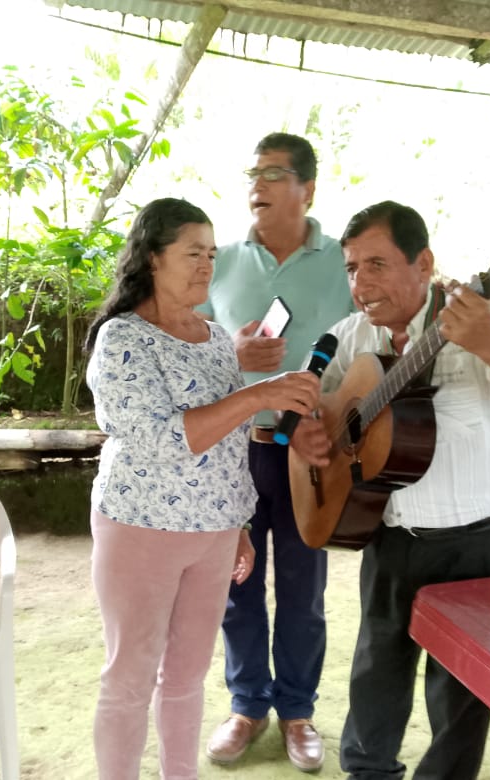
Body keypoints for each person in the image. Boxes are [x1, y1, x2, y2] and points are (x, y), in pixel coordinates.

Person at [291, 201, 490, 780]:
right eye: (352, 268)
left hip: (475, 545)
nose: (361, 283)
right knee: (376, 671)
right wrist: (308, 432)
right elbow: (313, 406)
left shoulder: (487, 319)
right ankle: (367, 772)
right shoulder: (352, 334)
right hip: (387, 534)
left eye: (377, 265)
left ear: (424, 263)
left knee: (461, 692)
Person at [83, 197, 321, 780]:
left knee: (188, 678)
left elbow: (230, 444)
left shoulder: (215, 337)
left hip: (213, 532)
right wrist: (259, 394)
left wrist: (238, 522)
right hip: (141, 527)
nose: (206, 266)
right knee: (130, 679)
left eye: (212, 254)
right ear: (152, 257)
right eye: (193, 253)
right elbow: (160, 438)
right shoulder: (122, 338)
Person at [198, 132, 354, 772]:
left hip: (309, 452)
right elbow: (183, 345)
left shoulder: (343, 261)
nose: (256, 185)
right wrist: (229, 351)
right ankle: (246, 706)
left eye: (272, 174)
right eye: (252, 174)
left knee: (301, 588)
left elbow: (371, 344)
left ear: (306, 189)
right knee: (234, 585)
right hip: (234, 449)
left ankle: (297, 709)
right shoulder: (220, 262)